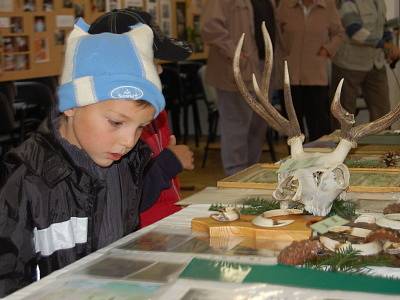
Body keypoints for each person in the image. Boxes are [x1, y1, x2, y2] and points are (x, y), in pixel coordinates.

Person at [0, 17, 171, 296]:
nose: (129, 141)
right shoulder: (22, 182)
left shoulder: (128, 166)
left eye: (140, 127)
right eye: (116, 122)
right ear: (71, 106)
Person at [88, 8, 194, 227]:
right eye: (151, 61)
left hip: (167, 222)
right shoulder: (103, 129)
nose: (161, 70)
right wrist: (169, 162)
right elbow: (124, 199)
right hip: (139, 235)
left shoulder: (154, 111)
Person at [201, 0, 277, 176]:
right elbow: (210, 27)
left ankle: (250, 175)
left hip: (264, 69)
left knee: (257, 128)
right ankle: (235, 177)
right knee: (236, 128)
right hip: (235, 72)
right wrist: (234, 52)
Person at [276, 0, 344, 141]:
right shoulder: (285, 5)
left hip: (316, 77)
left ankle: (320, 161)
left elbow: (339, 34)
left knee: (319, 128)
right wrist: (285, 55)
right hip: (290, 77)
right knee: (293, 132)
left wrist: (327, 49)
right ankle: (294, 162)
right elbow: (276, 33)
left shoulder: (328, 5)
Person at [331, 0, 400, 125]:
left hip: (375, 64)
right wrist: (385, 45)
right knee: (343, 117)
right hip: (349, 65)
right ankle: (343, 144)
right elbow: (354, 30)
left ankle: (381, 143)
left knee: (382, 115)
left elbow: (382, 26)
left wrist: (389, 42)